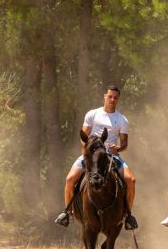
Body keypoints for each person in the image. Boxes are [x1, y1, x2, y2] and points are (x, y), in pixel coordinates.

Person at [55, 85, 138, 230]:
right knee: (69, 179)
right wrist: (88, 149)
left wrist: (117, 148)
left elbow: (124, 144)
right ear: (104, 96)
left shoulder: (122, 119)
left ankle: (127, 215)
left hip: (111, 156)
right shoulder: (92, 114)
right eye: (110, 96)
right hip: (91, 156)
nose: (112, 100)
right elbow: (83, 137)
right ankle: (67, 212)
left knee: (131, 180)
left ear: (118, 99)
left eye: (115, 97)